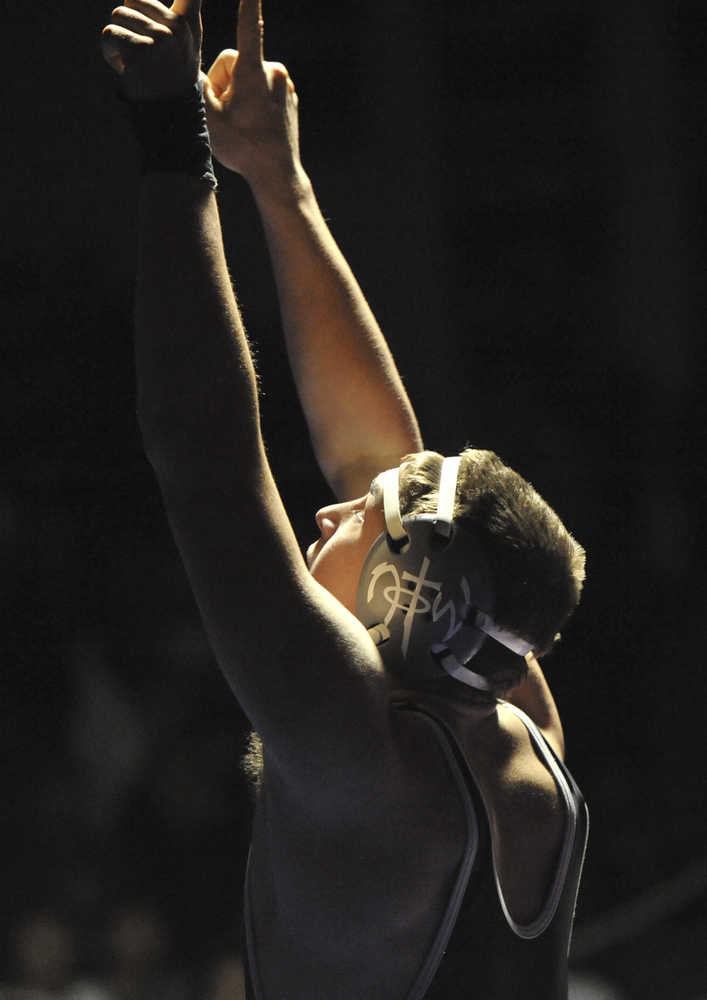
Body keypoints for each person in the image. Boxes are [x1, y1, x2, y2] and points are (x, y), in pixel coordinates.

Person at [100, 0, 589, 996]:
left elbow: (207, 469)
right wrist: (279, 185)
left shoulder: (359, 761)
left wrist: (173, 150)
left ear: (417, 601)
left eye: (362, 520)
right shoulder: (517, 718)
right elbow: (383, 456)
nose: (333, 508)